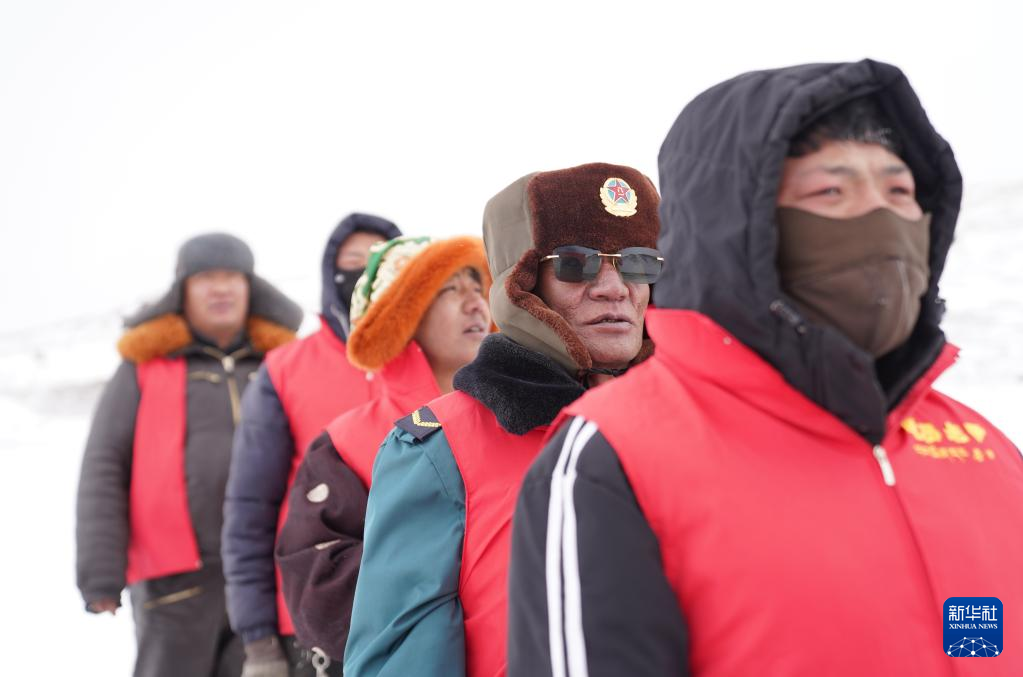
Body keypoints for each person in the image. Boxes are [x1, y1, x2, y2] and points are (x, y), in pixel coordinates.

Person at [508, 60, 1023, 676]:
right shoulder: (615, 457)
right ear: (740, 229)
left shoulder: (987, 452)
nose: (881, 221)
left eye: (900, 192)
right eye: (831, 192)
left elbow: (986, 649)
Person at [343, 162, 663, 677]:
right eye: (576, 264)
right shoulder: (437, 449)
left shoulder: (697, 428)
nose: (615, 287)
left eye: (637, 263)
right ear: (522, 283)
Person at [76, 233, 302, 677]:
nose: (221, 289)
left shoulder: (282, 363)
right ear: (182, 289)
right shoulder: (143, 366)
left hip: (269, 573)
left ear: (250, 287)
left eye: (232, 276)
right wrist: (99, 571)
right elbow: (105, 464)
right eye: (206, 278)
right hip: (174, 584)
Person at [274, 235, 492, 663]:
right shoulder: (346, 445)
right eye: (449, 290)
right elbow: (317, 590)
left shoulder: (519, 420)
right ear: (400, 318)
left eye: (477, 286)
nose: (475, 304)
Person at [222, 214, 401, 677]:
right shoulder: (285, 369)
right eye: (353, 261)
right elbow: (251, 508)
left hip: (418, 616)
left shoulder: (439, 359)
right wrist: (259, 640)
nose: (366, 272)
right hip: (312, 626)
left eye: (382, 261)